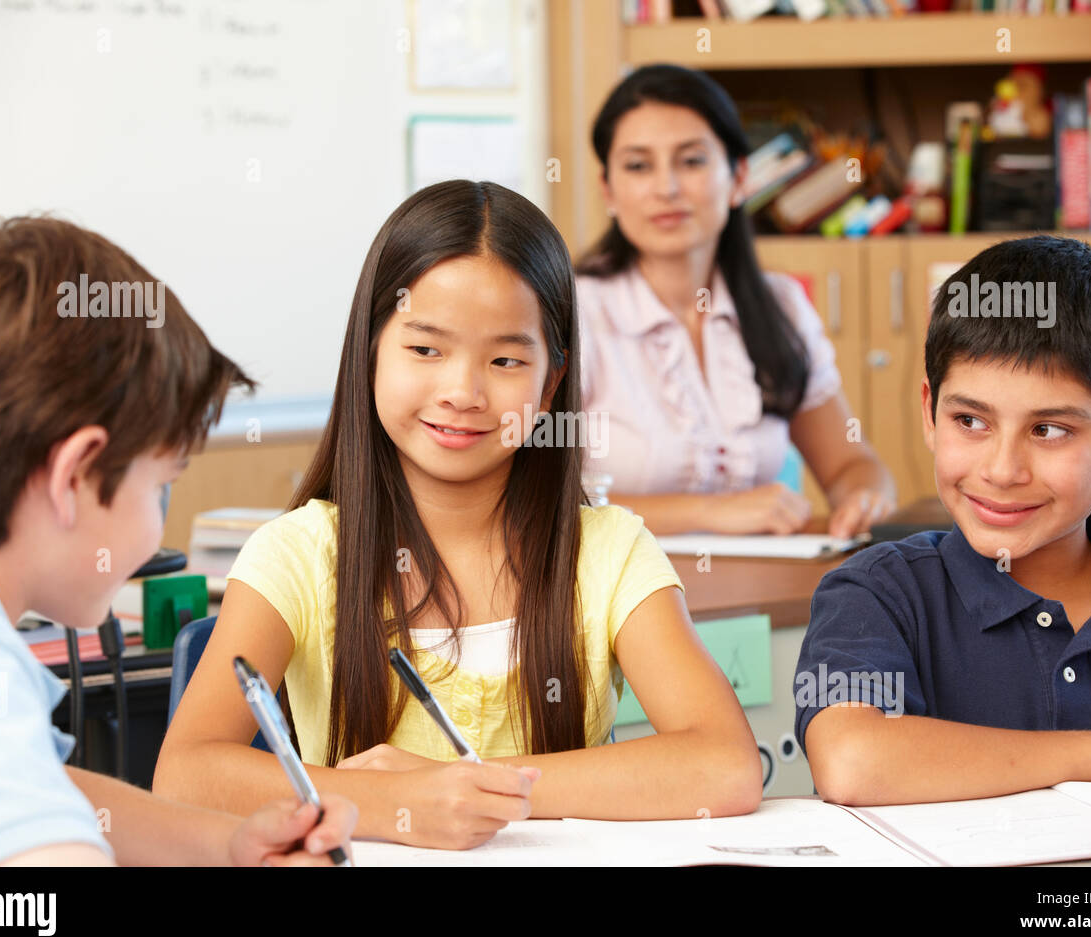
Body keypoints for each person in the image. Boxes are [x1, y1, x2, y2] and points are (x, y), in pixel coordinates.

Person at [154, 180, 764, 850]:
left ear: (551, 381)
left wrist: (469, 788)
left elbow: (724, 765)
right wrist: (396, 801)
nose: (463, 392)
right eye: (425, 350)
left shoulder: (610, 552)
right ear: (370, 352)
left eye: (506, 360)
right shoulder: (298, 554)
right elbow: (186, 775)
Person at [0, 216, 356, 865]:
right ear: (76, 476)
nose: (158, 526)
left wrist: (227, 847)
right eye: (162, 483)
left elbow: (40, 790)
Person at [794, 236, 1091, 805]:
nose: (1002, 469)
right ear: (929, 413)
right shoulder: (874, 593)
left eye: (1050, 430)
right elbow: (852, 759)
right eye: (970, 420)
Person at [576, 64, 895, 537]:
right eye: (638, 165)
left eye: (692, 161)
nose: (666, 188)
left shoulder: (779, 304)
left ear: (740, 177)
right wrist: (709, 514)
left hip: (761, 589)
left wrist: (863, 499)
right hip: (611, 603)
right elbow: (528, 505)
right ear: (608, 189)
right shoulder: (571, 312)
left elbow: (851, 462)